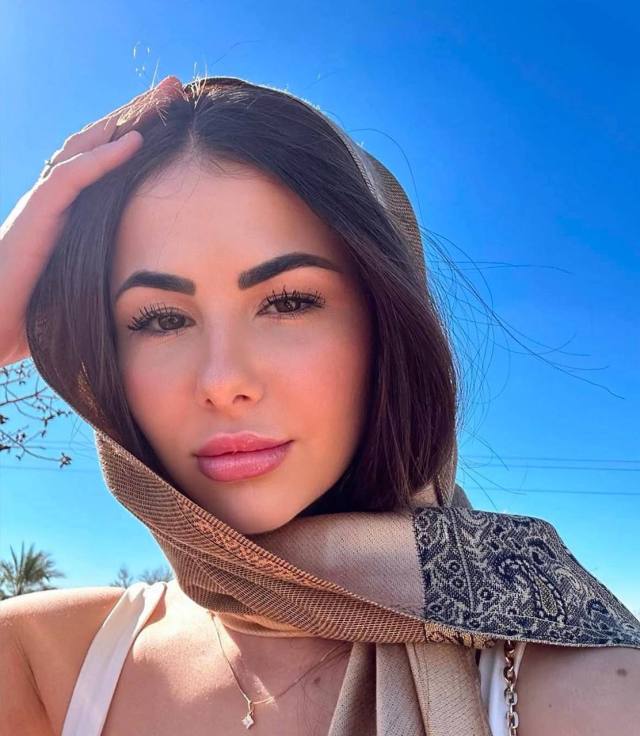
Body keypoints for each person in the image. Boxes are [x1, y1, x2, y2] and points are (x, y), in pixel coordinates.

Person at [0, 75, 639, 736]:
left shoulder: (576, 687)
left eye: (287, 302)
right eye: (162, 319)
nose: (223, 381)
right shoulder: (47, 665)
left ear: (384, 324)